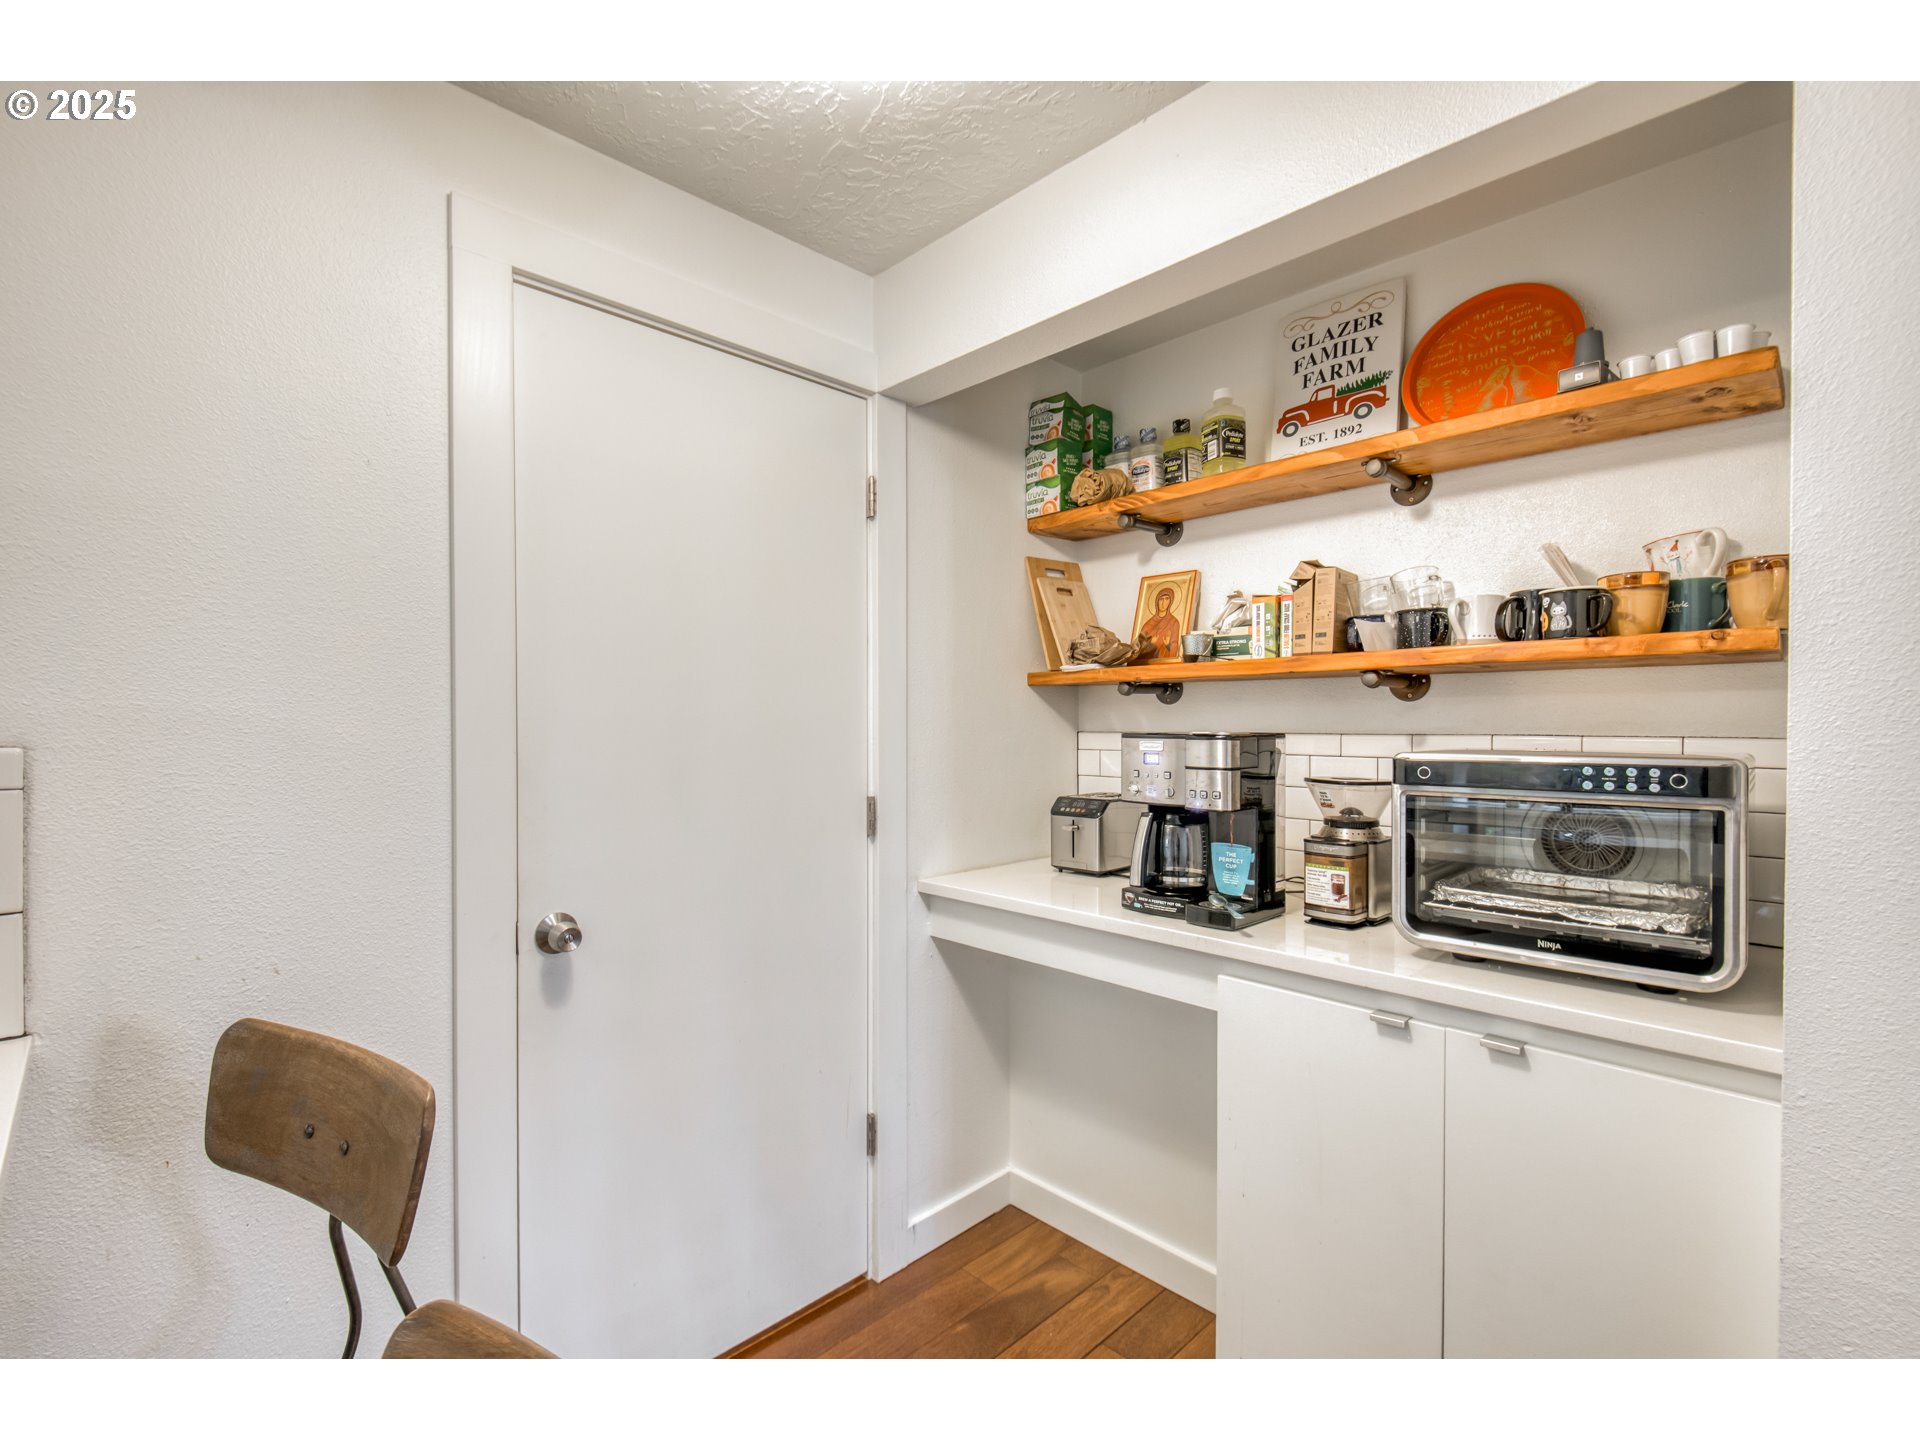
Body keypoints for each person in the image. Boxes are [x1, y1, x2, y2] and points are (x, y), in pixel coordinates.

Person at [1140, 586, 1183, 660]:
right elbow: (1138, 648)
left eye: (1167, 599)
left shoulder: (1174, 623)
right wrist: (1150, 642)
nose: (1164, 603)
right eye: (1161, 599)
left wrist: (1168, 645)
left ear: (1171, 601)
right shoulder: (1147, 625)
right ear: (1157, 602)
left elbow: (1175, 648)